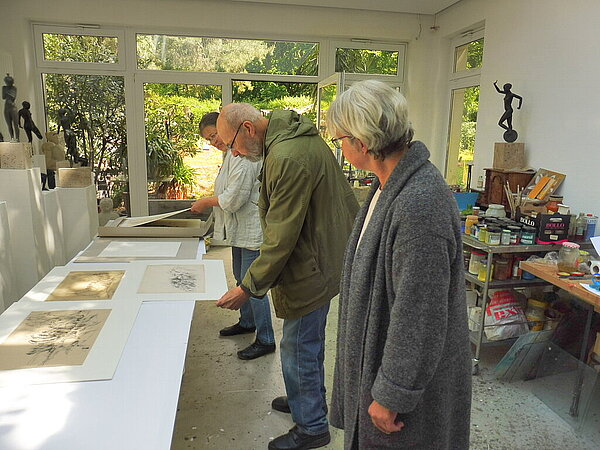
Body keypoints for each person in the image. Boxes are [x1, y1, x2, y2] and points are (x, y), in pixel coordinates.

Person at [326, 80, 471, 449]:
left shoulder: (419, 203)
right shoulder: (386, 185)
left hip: (409, 396)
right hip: (378, 366)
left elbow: (419, 312)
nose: (340, 148)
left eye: (339, 139)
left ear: (362, 142)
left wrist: (394, 391)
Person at [215, 103, 359, 450]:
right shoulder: (290, 142)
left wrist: (248, 288)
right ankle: (303, 402)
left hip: (312, 263)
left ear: (248, 128)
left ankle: (311, 426)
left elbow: (281, 236)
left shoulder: (288, 156)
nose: (233, 153)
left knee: (299, 347)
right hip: (319, 253)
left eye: (230, 144)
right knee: (303, 343)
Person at [191, 112, 276, 360]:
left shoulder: (243, 154)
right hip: (239, 230)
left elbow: (234, 198)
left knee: (251, 286)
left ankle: (266, 338)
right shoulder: (230, 153)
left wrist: (206, 202)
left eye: (214, 135)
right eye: (208, 139)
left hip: (251, 230)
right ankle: (247, 322)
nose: (214, 141)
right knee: (240, 277)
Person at [2, 74, 19, 142]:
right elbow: (3, 97)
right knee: (9, 124)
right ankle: (12, 137)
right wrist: (7, 92)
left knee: (15, 124)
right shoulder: (4, 88)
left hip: (13, 107)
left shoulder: (14, 88)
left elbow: (13, 97)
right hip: (6, 107)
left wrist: (7, 93)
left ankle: (17, 138)